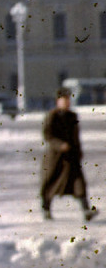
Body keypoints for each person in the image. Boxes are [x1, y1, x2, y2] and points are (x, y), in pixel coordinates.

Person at [41, 88, 98, 223]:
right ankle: (46, 210)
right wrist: (59, 145)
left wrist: (78, 151)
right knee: (50, 184)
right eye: (64, 100)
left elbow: (76, 136)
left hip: (71, 157)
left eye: (68, 99)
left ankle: (86, 210)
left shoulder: (72, 116)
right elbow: (48, 135)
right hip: (55, 158)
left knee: (79, 183)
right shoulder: (52, 116)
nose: (67, 102)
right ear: (58, 101)